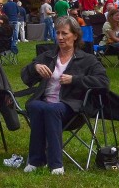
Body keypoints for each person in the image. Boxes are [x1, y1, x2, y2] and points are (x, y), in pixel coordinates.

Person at [20, 17, 110, 175]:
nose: (60, 37)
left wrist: (75, 79)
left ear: (75, 36)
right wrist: (35, 67)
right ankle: (36, 160)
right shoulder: (48, 57)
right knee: (35, 105)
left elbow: (103, 82)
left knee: (50, 110)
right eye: (58, 33)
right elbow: (25, 76)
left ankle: (56, 165)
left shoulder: (87, 60)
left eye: (65, 33)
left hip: (73, 108)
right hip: (46, 103)